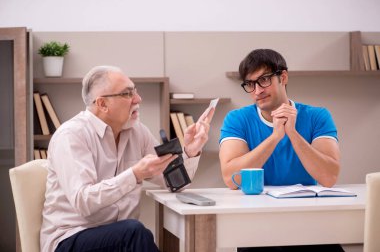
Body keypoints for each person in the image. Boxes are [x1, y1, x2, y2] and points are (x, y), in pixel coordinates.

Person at [40, 65, 214, 252]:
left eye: (135, 91)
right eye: (127, 94)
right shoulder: (72, 135)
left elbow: (174, 182)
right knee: (134, 232)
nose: (138, 99)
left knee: (133, 233)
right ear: (102, 104)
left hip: (120, 238)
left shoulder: (138, 132)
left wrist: (190, 151)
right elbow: (84, 202)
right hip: (71, 238)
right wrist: (135, 174)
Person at [219, 49, 343, 252]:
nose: (257, 90)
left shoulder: (317, 116)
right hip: (256, 224)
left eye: (264, 80)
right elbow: (232, 178)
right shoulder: (237, 119)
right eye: (250, 84)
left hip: (308, 221)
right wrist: (275, 137)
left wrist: (292, 133)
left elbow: (329, 176)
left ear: (283, 77)